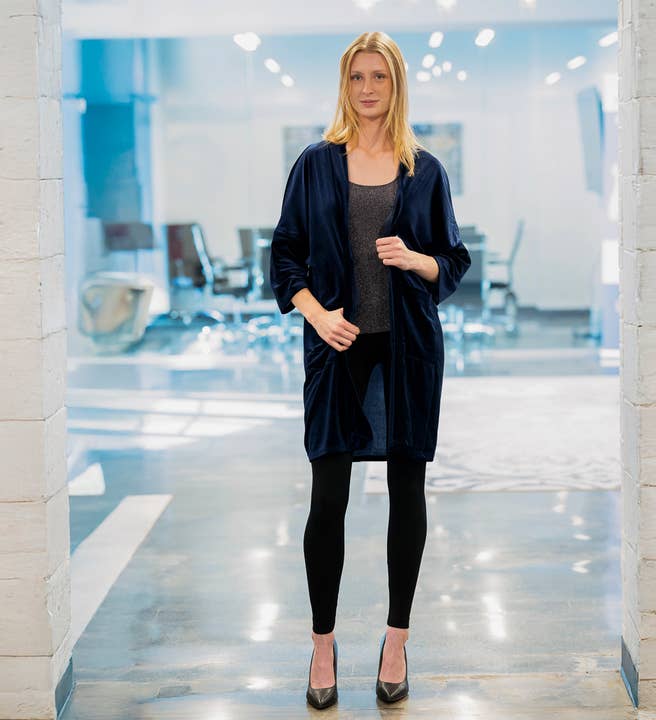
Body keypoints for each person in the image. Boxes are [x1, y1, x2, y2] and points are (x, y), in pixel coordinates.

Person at [270, 30, 471, 709]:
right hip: (338, 348)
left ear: (396, 84)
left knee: (407, 492)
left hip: (408, 350)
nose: (366, 88)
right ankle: (323, 644)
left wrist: (416, 260)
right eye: (356, 76)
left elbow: (453, 261)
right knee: (328, 498)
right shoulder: (315, 165)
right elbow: (285, 255)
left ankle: (396, 640)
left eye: (378, 76)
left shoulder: (426, 171)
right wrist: (315, 315)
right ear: (344, 85)